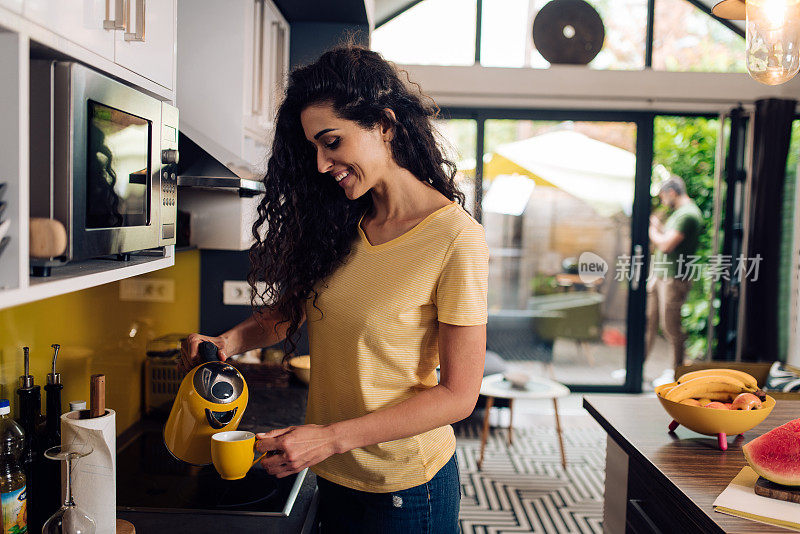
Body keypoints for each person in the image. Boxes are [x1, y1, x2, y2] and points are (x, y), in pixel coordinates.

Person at [180, 45, 489, 534]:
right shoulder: (345, 218)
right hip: (336, 473)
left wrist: (328, 438)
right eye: (314, 149)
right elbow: (298, 307)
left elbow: (458, 395)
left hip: (405, 489)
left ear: (384, 124)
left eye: (332, 142)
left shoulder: (455, 239)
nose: (323, 164)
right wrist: (229, 343)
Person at [646, 174, 703, 369]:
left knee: (671, 328)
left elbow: (666, 245)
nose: (662, 201)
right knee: (649, 323)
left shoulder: (688, 214)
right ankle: (635, 369)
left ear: (671, 192)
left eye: (662, 196)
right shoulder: (679, 214)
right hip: (661, 276)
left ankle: (675, 374)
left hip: (674, 278)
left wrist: (651, 230)